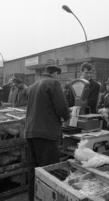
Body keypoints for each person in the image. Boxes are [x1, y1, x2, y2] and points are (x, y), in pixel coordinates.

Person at [25, 65, 70, 201]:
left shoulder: (33, 85)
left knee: (34, 169)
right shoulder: (53, 83)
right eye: (59, 75)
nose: (59, 78)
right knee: (50, 170)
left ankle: (32, 198)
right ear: (55, 73)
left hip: (31, 132)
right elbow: (61, 106)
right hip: (46, 133)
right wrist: (68, 117)